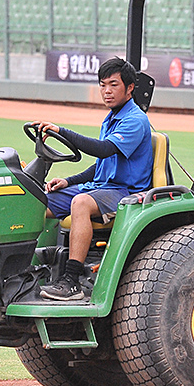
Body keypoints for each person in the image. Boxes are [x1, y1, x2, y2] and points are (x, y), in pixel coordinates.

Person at [32, 56, 152, 301]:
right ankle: (27, 268)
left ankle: (71, 281)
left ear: (129, 88)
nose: (106, 91)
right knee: (35, 201)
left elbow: (103, 150)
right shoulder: (111, 118)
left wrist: (61, 131)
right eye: (102, 84)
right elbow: (102, 164)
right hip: (102, 186)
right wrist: (68, 181)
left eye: (113, 85)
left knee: (81, 203)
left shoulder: (135, 120)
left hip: (126, 192)